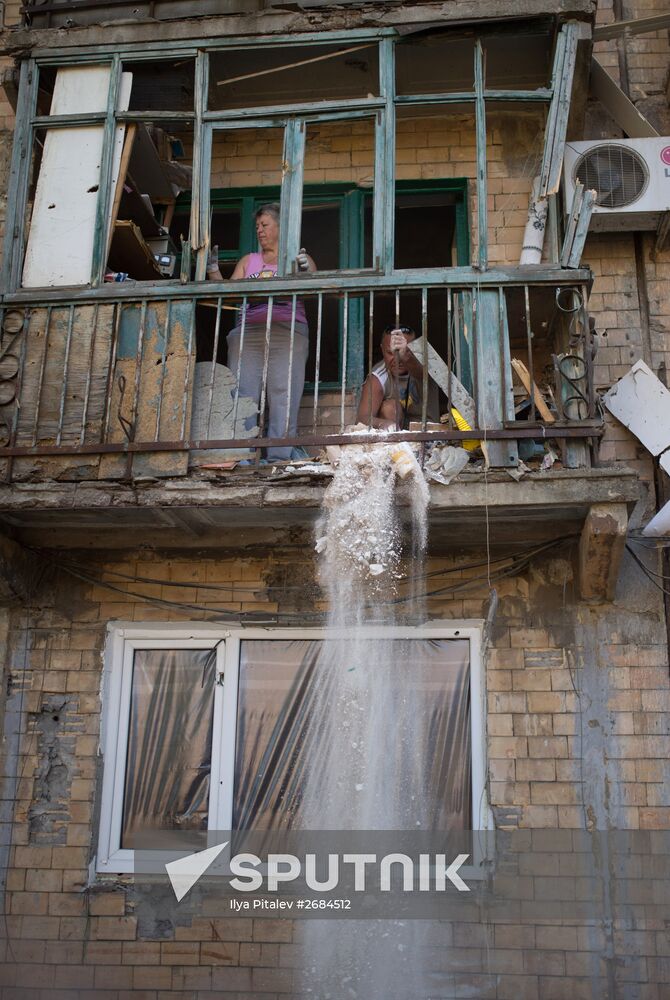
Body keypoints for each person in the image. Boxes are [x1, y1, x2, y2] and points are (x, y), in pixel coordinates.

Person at [207, 203, 316, 461]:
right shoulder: (249, 261)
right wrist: (213, 269)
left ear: (280, 227)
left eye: (265, 225)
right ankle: (241, 455)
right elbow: (228, 294)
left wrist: (304, 267)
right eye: (257, 226)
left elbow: (314, 281)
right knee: (244, 393)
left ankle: (279, 456)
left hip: (288, 331)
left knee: (284, 393)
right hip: (249, 332)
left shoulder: (296, 258)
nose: (260, 230)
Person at [357, 324, 438, 430]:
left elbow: (421, 373)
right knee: (390, 407)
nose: (397, 359)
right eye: (391, 353)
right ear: (382, 349)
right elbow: (362, 418)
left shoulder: (425, 366)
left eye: (403, 351)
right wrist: (383, 423)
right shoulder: (378, 377)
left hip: (428, 431)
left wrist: (406, 356)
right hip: (396, 433)